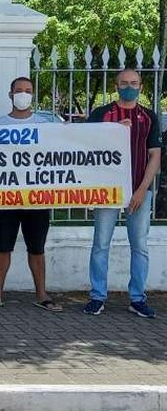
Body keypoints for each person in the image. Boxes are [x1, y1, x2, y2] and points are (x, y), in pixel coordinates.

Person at [0, 77, 61, 312]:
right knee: (2, 246)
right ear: (10, 94)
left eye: (28, 91)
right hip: (5, 196)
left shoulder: (45, 126)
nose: (23, 94)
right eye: (19, 91)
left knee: (37, 248)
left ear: (33, 95)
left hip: (37, 196)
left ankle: (42, 294)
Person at [83, 69, 161, 318]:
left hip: (139, 189)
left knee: (140, 246)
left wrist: (141, 190)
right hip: (107, 191)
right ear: (116, 85)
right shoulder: (101, 114)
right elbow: (84, 147)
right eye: (124, 83)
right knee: (100, 244)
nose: (129, 87)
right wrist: (112, 130)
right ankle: (97, 296)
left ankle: (137, 298)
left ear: (141, 86)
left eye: (134, 83)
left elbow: (155, 156)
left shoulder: (149, 117)